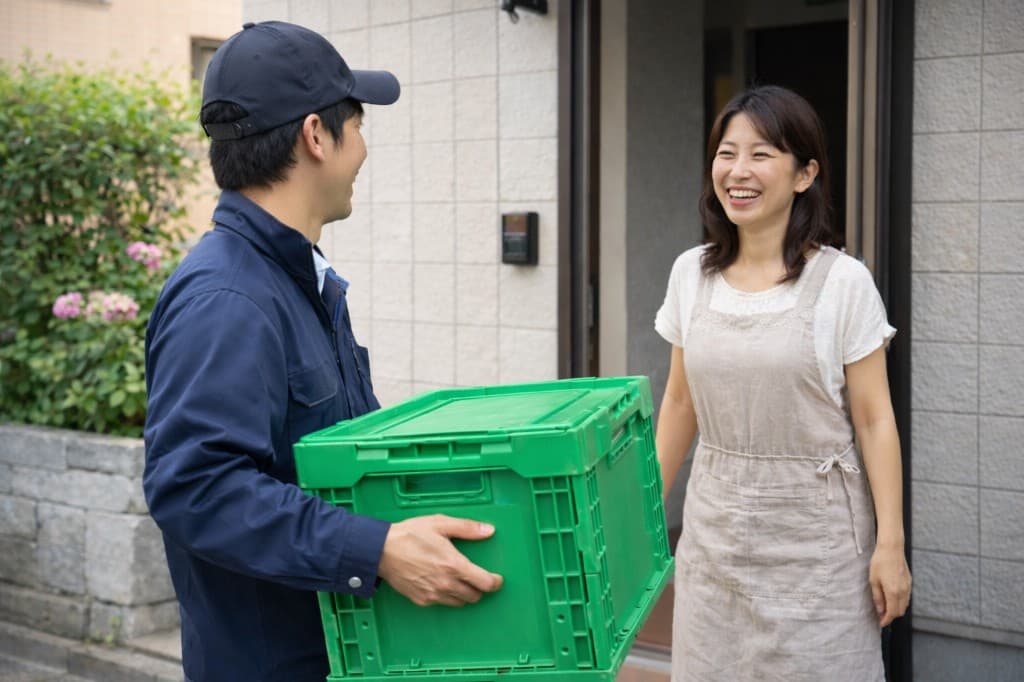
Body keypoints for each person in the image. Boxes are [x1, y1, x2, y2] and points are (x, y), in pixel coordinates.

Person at [143, 21, 503, 682]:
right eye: (357, 124)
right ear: (316, 135)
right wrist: (376, 548)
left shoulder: (294, 279)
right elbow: (197, 487)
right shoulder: (228, 298)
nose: (363, 147)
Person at [654, 85, 911, 680]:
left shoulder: (843, 282)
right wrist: (643, 517)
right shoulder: (690, 273)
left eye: (761, 154)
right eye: (727, 153)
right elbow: (679, 401)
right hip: (714, 537)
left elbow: (875, 420)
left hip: (817, 547)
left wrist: (891, 544)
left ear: (805, 174)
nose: (738, 171)